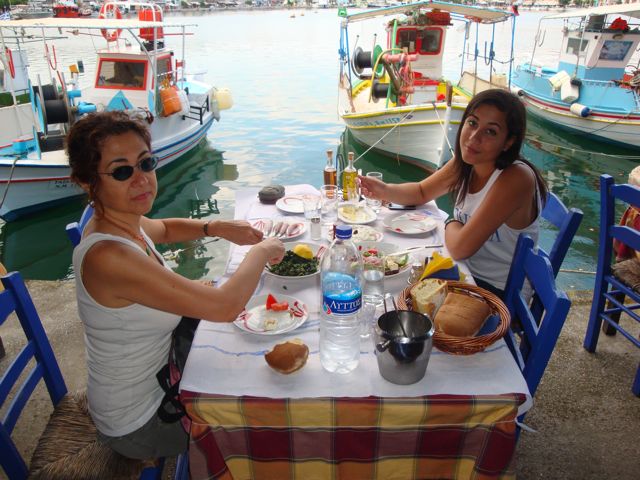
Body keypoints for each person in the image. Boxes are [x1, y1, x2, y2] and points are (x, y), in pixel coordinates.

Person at [67, 111, 285, 460]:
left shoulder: (123, 224)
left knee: (255, 360)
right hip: (141, 420)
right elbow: (223, 307)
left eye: (145, 163)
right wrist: (261, 252)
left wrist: (215, 226)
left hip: (162, 375)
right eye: (122, 171)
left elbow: (164, 230)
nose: (141, 180)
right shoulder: (108, 256)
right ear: (87, 181)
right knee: (270, 419)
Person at [359, 89, 547, 298]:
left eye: (490, 131)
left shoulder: (516, 178)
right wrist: (383, 190)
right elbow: (422, 191)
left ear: (509, 142)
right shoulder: (467, 162)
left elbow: (460, 248)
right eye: (472, 123)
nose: (474, 137)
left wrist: (450, 223)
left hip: (498, 291)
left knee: (392, 294)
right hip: (464, 270)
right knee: (384, 274)